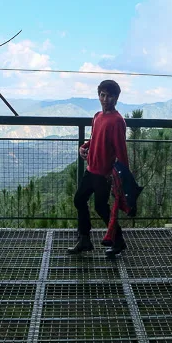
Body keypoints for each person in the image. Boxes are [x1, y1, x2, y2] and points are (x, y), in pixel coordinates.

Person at [68, 80, 129, 257]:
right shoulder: (97, 116)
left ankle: (118, 241)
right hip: (91, 169)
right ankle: (85, 239)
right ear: (98, 96)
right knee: (79, 200)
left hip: (104, 174)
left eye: (109, 95)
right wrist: (84, 146)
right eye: (102, 95)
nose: (105, 99)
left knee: (101, 207)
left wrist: (121, 174)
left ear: (116, 98)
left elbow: (121, 150)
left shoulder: (117, 121)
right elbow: (95, 138)